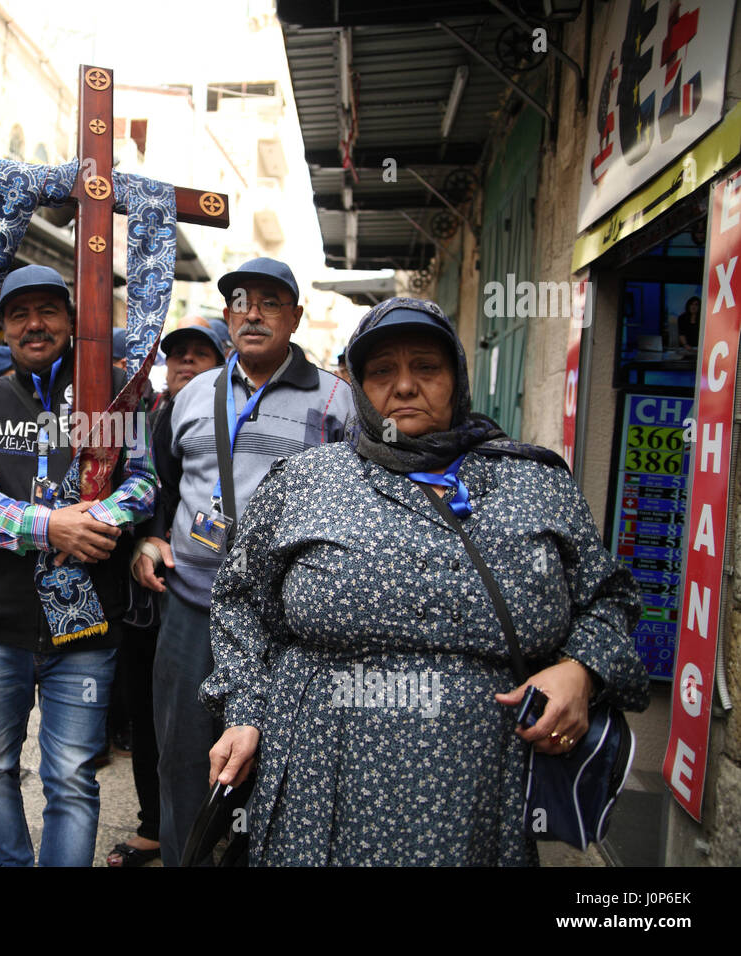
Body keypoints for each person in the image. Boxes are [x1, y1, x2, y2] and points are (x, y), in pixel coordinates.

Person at [203, 296, 651, 865]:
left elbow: (608, 597)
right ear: (359, 385)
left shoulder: (531, 480)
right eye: (383, 370)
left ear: (457, 379)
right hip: (323, 775)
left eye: (427, 367)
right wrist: (244, 709)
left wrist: (581, 670)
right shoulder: (306, 481)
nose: (406, 386)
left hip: (481, 780)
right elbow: (239, 599)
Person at [136, 256, 354, 866]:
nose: (252, 313)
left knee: (278, 759)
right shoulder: (191, 395)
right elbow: (162, 481)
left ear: (295, 317)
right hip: (190, 606)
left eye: (269, 302)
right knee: (182, 755)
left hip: (285, 623)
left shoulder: (338, 401)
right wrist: (150, 539)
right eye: (239, 302)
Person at [0, 264, 158, 867]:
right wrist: (48, 526)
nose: (34, 324)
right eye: (19, 314)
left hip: (87, 630)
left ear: (72, 321)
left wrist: (98, 518)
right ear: (4, 329)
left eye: (48, 311)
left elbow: (143, 482)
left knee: (71, 777)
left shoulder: (113, 396)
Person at [108, 319, 225, 867]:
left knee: (211, 721)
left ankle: (215, 831)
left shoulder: (230, 423)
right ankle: (155, 825)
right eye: (177, 353)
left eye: (201, 354)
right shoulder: (147, 419)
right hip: (144, 601)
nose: (186, 362)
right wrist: (142, 537)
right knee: (151, 716)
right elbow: (136, 487)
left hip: (210, 601)